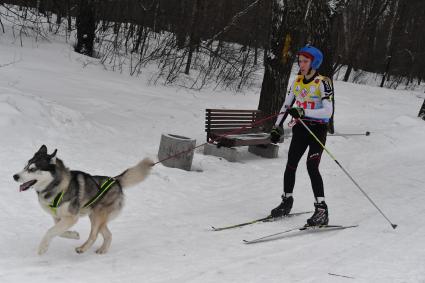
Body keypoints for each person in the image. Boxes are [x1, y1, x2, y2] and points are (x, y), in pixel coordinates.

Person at [269, 45, 334, 226]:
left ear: (314, 62)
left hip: (317, 130)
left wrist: (303, 111)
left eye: (305, 61)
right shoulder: (296, 81)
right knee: (291, 164)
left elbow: (328, 112)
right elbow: (287, 105)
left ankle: (321, 210)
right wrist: (277, 127)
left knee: (312, 166)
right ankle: (286, 201)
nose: (301, 64)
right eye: (300, 60)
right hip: (301, 129)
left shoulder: (323, 82)